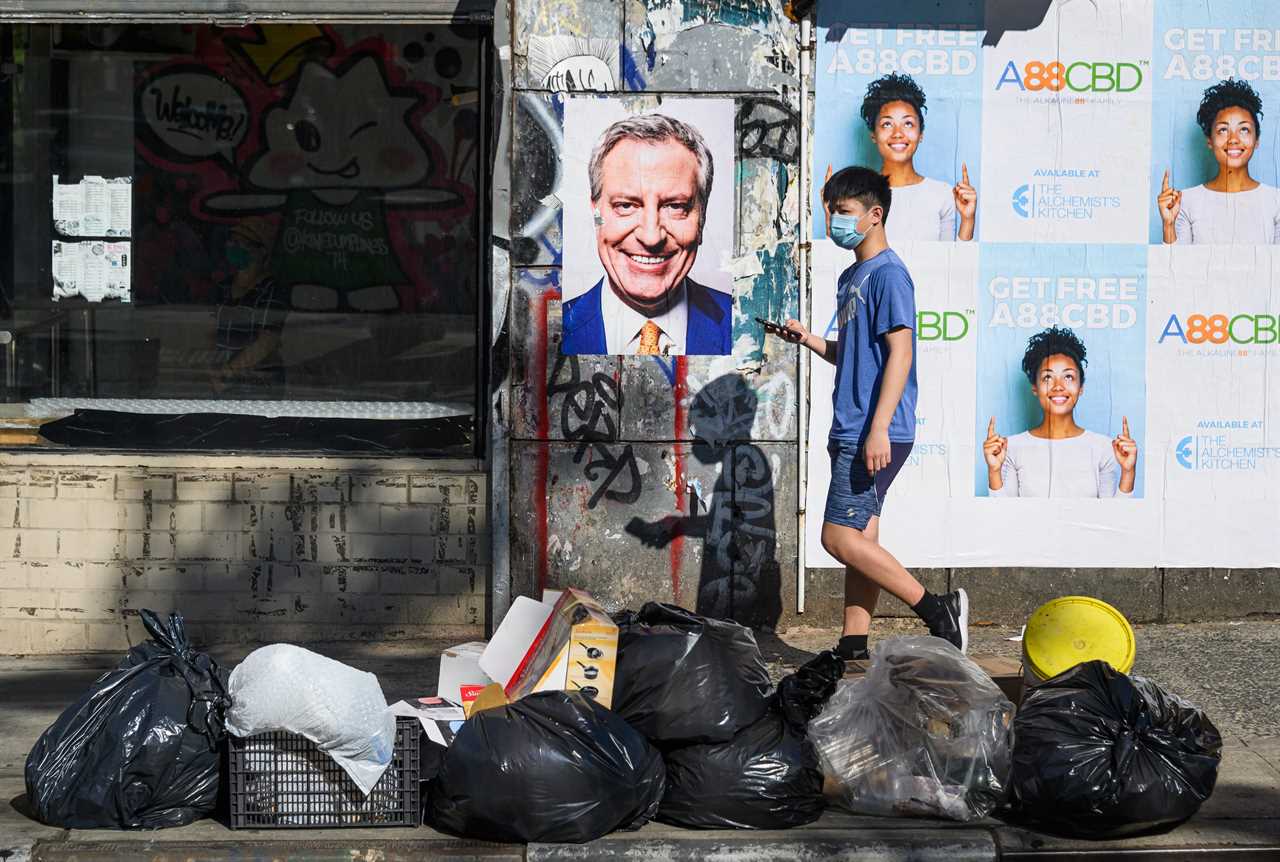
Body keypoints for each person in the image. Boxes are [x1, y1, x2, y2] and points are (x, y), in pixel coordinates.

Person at [775, 166, 968, 660]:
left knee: (837, 538)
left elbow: (900, 353)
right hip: (853, 426)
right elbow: (859, 353)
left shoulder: (888, 275)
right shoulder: (852, 276)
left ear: (874, 215)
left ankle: (938, 609)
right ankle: (854, 644)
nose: (833, 221)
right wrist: (811, 340)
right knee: (862, 538)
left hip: (873, 429)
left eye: (843, 213)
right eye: (830, 212)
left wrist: (879, 427)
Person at [561, 113, 732, 356]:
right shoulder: (556, 329)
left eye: (675, 206)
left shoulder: (742, 323)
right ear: (596, 215)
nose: (651, 238)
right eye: (626, 206)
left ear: (701, 217)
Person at [983, 326, 1138, 497]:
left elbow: (1113, 520)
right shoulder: (1011, 447)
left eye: (1068, 377)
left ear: (1081, 387)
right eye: (1048, 377)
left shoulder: (1103, 448)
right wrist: (994, 472)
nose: (1058, 386)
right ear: (1035, 387)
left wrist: (1128, 473)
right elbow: (1004, 518)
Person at [831, 72, 975, 243]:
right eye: (887, 124)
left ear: (920, 133)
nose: (898, 133)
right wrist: (831, 216)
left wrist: (967, 220)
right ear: (873, 135)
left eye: (907, 123)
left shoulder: (941, 194)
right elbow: (844, 259)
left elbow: (950, 263)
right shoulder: (857, 195)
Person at [1158, 78, 1280, 245]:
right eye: (1223, 130)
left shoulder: (1275, 201)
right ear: (1209, 140)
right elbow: (1178, 268)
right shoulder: (1186, 201)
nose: (1233, 139)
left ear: (1256, 139)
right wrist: (1168, 226)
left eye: (1244, 129)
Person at [210, 217, 289, 397]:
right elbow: (210, 332)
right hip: (222, 382)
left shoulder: (272, 290)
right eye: (232, 241)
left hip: (259, 382)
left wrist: (229, 371)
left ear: (261, 251)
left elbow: (267, 341)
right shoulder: (223, 287)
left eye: (242, 243)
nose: (233, 246)